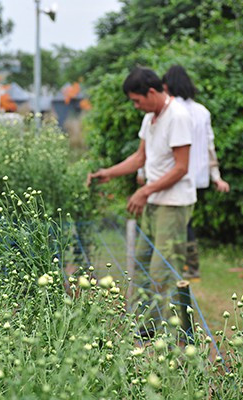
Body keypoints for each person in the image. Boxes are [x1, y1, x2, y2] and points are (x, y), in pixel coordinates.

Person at [87, 67, 195, 329]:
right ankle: (147, 328)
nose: (135, 106)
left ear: (151, 92)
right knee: (142, 265)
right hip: (155, 202)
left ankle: (172, 332)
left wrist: (144, 190)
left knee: (162, 270)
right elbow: (140, 158)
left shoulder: (178, 116)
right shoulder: (151, 118)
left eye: (137, 100)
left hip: (174, 204)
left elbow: (182, 168)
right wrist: (108, 173)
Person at [161, 65, 230, 280]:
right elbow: (210, 146)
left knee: (179, 220)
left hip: (175, 174)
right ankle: (188, 265)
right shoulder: (202, 111)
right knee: (185, 219)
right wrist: (216, 177)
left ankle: (184, 265)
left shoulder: (170, 109)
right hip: (197, 175)